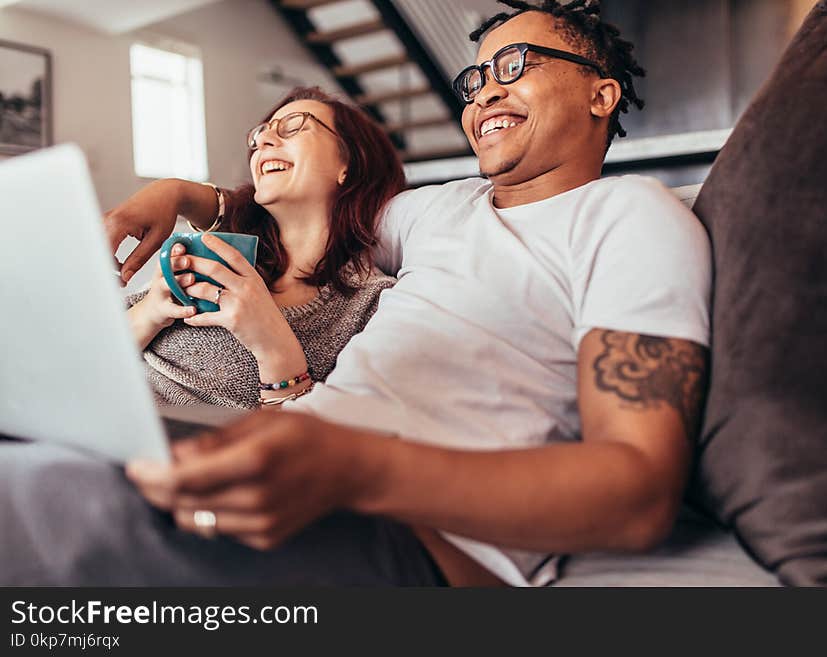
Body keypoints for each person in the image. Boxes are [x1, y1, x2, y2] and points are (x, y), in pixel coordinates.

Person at [0, 0, 710, 587]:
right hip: (297, 471)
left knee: (44, 503)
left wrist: (355, 466)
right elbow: (305, 208)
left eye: (516, 65)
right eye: (477, 77)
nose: (486, 90)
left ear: (601, 91)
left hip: (417, 542)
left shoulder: (634, 217)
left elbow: (639, 494)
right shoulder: (435, 210)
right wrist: (177, 193)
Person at [124, 87, 401, 409]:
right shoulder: (219, 251)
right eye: (261, 135)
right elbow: (84, 359)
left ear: (350, 163)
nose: (263, 142)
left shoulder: (370, 304)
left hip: (177, 449)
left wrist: (272, 344)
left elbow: (324, 446)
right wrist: (152, 311)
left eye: (294, 126)